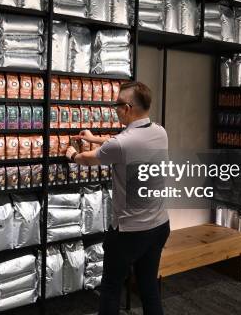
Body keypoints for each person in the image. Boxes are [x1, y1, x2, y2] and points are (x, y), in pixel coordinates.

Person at [65, 81, 170, 315]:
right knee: (148, 286)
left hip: (129, 232)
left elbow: (90, 159)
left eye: (117, 105)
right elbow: (122, 143)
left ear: (128, 108)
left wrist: (73, 155)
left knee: (111, 288)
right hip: (159, 225)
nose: (115, 109)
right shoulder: (159, 132)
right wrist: (94, 138)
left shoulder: (122, 143)